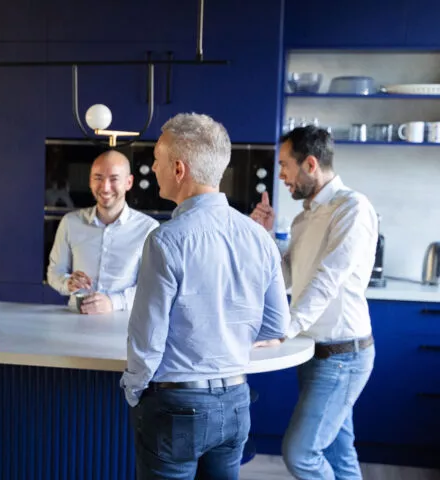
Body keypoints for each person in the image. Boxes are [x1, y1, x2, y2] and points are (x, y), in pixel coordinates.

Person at [121, 113, 291, 479]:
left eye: (157, 159)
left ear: (178, 169)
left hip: (176, 405)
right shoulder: (259, 236)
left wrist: (134, 392)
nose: (152, 167)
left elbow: (147, 339)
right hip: (236, 402)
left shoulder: (167, 240)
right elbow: (277, 323)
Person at [250, 126, 377, 480]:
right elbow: (286, 276)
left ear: (310, 163)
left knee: (301, 453)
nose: (281, 175)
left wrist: (284, 329)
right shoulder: (304, 217)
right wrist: (266, 238)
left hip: (343, 357)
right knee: (339, 453)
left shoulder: (352, 208)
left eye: (284, 166)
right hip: (316, 353)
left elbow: (328, 279)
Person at [46, 150, 159, 314]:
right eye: (98, 178)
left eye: (114, 179)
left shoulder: (148, 229)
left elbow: (153, 286)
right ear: (90, 181)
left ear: (129, 182)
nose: (105, 188)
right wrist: (67, 282)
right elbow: (54, 273)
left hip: (124, 326)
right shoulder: (70, 223)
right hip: (75, 323)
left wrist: (113, 302)